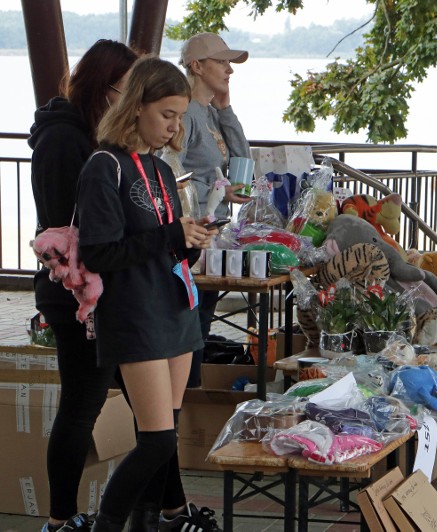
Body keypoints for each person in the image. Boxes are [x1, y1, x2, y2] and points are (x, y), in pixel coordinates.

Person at [74, 56, 215, 531]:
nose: (175, 126)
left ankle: (147, 522)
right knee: (155, 441)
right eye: (167, 114)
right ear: (136, 106)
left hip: (174, 309)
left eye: (179, 116)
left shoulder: (158, 168)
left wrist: (190, 242)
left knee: (164, 437)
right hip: (134, 315)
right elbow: (99, 253)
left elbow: (166, 247)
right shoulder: (103, 166)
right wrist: (173, 236)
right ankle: (108, 525)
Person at [28, 39, 138, 532]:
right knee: (81, 404)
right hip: (71, 291)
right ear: (104, 85)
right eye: (126, 89)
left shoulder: (91, 135)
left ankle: (163, 510)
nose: (129, 100)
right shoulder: (63, 139)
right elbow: (62, 227)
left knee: (138, 407)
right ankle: (60, 519)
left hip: (102, 287)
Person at [178, 32, 252, 388]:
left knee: (203, 322)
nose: (229, 71)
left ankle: (189, 402)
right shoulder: (185, 114)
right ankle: (185, 402)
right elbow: (172, 174)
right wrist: (214, 191)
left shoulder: (208, 111)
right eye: (221, 62)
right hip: (195, 238)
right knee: (192, 326)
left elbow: (243, 163)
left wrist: (226, 108)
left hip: (214, 234)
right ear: (197, 66)